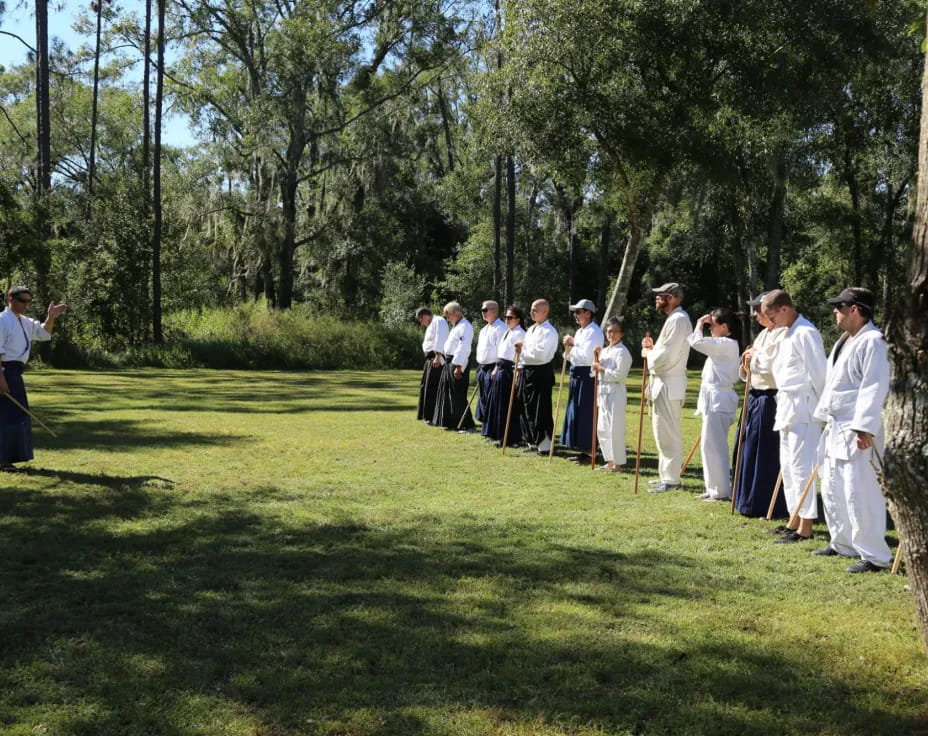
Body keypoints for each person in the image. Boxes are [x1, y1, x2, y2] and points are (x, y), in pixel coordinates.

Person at [812, 287, 893, 572]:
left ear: (855, 310)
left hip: (858, 428)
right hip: (837, 424)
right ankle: (842, 542)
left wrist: (864, 428)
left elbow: (874, 385)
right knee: (833, 486)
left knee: (861, 492)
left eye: (839, 307)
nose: (835, 311)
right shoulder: (846, 341)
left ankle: (874, 556)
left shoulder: (873, 341)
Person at [757, 289, 827, 543]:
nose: (771, 324)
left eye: (772, 317)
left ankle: (806, 526)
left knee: (801, 467)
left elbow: (820, 374)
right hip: (786, 404)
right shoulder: (787, 333)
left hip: (804, 407)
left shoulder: (806, 333)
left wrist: (824, 411)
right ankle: (794, 518)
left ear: (784, 309)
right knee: (787, 466)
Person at [0, 286, 68, 472]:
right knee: (8, 416)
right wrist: (1, 379)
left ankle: (7, 458)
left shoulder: (24, 321)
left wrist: (51, 316)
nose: (26, 305)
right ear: (11, 300)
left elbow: (44, 333)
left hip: (15, 372)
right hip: (5, 371)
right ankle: (4, 460)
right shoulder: (2, 320)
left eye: (28, 301)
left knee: (17, 415)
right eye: (23, 301)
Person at [733, 294, 787, 518]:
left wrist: (754, 358)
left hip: (769, 398)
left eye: (759, 309)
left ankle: (764, 500)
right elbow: (750, 363)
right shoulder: (763, 335)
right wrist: (747, 363)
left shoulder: (783, 334)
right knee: (746, 446)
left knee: (764, 448)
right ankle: (745, 496)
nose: (755, 314)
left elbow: (772, 365)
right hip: (754, 395)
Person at [642, 282, 692, 492]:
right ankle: (666, 475)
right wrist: (652, 349)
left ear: (671, 298)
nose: (656, 299)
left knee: (668, 432)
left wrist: (648, 355)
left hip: (669, 383)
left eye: (660, 295)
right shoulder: (673, 320)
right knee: (660, 431)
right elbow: (663, 351)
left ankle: (672, 479)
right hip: (663, 382)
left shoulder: (679, 320)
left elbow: (666, 356)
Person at [687, 308, 741, 501]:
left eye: (713, 325)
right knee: (708, 445)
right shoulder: (722, 344)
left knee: (716, 446)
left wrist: (700, 323)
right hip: (713, 397)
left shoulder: (726, 344)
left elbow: (696, 341)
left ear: (724, 327)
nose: (710, 328)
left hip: (720, 398)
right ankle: (713, 488)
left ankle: (721, 491)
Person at [561, 299, 604, 461]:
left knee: (587, 412)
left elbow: (587, 356)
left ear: (588, 313)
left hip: (588, 376)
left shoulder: (594, 332)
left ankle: (590, 450)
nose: (575, 315)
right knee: (577, 410)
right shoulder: (580, 332)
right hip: (577, 373)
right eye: (575, 312)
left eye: (578, 312)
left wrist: (572, 345)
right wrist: (569, 349)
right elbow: (571, 356)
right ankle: (582, 447)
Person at [514, 299, 559, 454]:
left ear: (545, 311)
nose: (532, 312)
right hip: (527, 371)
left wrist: (523, 348)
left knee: (540, 409)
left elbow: (541, 354)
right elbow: (527, 352)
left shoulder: (549, 331)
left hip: (541, 373)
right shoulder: (532, 329)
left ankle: (545, 445)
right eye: (531, 309)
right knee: (527, 407)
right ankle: (532, 440)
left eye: (535, 310)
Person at [592, 317, 632, 472]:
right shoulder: (604, 351)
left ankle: (619, 462)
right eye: (609, 331)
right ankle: (609, 460)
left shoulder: (623, 352)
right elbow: (594, 371)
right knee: (602, 427)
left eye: (615, 332)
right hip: (603, 390)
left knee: (615, 427)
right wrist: (595, 358)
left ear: (621, 333)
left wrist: (601, 369)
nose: (612, 335)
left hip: (616, 390)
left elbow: (620, 375)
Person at [483, 305, 526, 446]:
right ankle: (497, 433)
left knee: (508, 405)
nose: (507, 320)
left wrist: (517, 373)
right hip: (501, 369)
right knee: (497, 403)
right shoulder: (508, 332)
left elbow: (519, 356)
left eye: (510, 317)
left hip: (510, 371)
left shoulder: (520, 333)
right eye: (506, 317)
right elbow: (501, 353)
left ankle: (509, 438)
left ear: (518, 319)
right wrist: (496, 367)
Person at [431, 301, 475, 430]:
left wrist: (458, 366)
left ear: (456, 313)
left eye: (449, 315)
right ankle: (452, 422)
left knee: (458, 394)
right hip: (450, 361)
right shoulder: (457, 326)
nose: (448, 318)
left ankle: (467, 424)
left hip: (458, 363)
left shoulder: (465, 327)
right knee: (449, 393)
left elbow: (463, 347)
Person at [474, 300, 507, 432]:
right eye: (482, 310)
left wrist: (496, 368)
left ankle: (494, 429)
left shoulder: (501, 328)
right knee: (483, 398)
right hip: (482, 367)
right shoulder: (483, 330)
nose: (483, 313)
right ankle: (486, 426)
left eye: (485, 310)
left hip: (493, 367)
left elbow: (502, 350)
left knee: (492, 400)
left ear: (494, 310)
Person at [415, 307, 448, 422]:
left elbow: (440, 339)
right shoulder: (432, 323)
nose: (421, 323)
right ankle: (426, 415)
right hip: (430, 358)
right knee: (426, 386)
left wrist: (438, 357)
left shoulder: (439, 321)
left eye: (420, 320)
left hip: (436, 358)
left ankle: (433, 416)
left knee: (433, 387)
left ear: (425, 316)